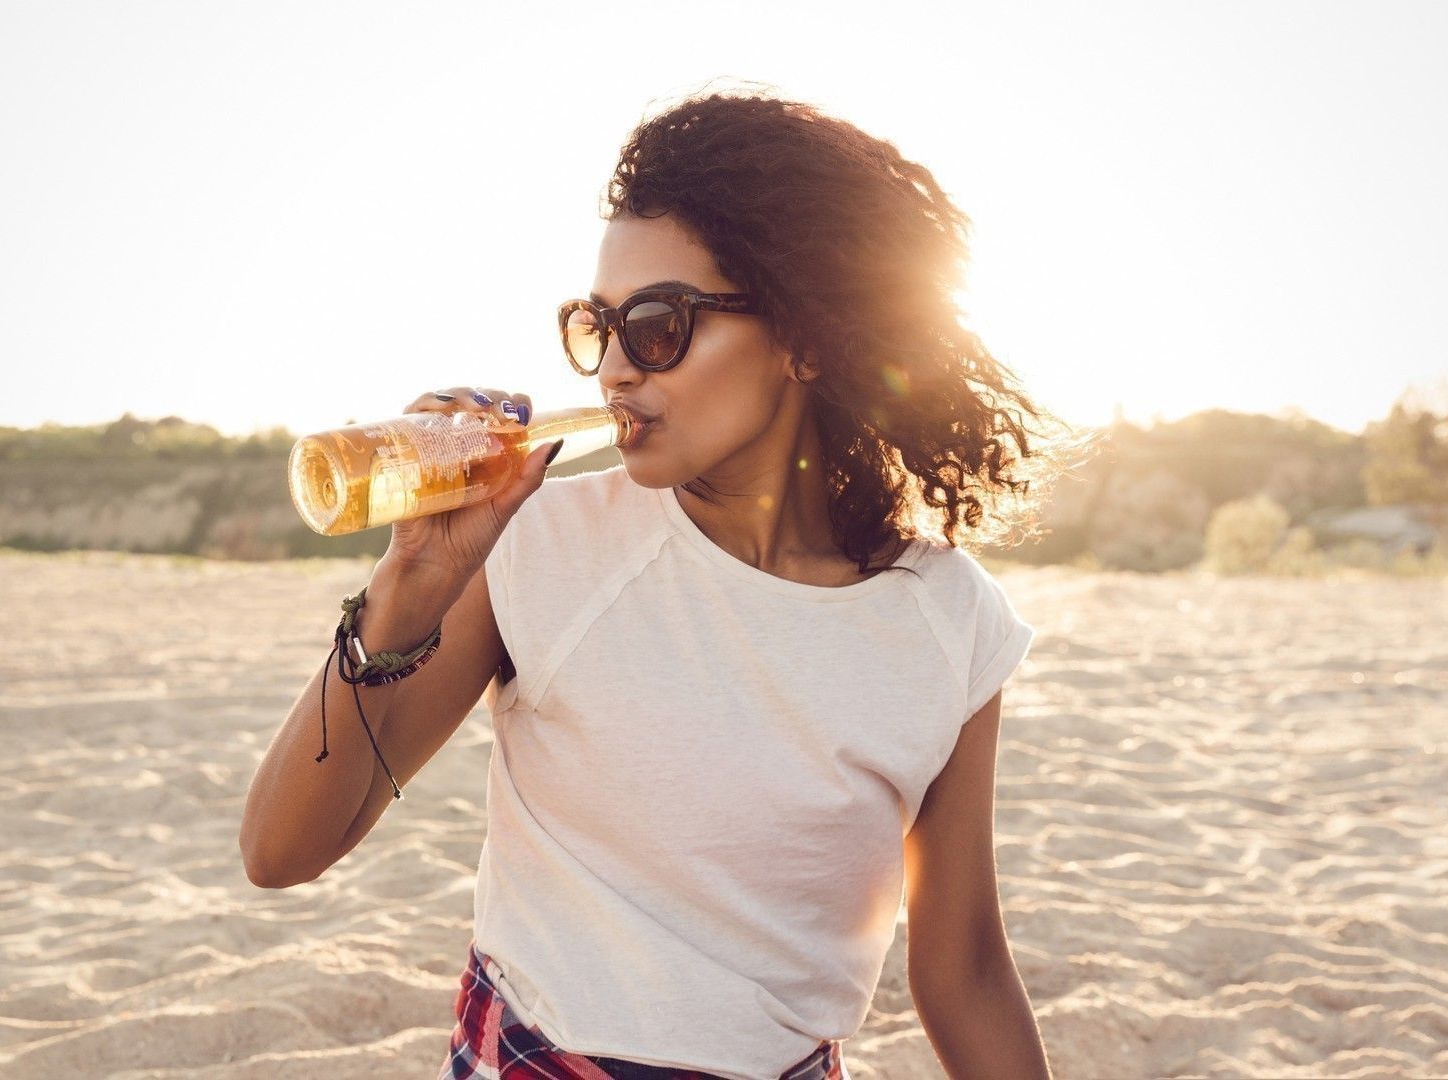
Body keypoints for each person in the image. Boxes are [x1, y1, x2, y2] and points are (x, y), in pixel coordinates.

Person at [242, 87, 1075, 1080]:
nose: (613, 371)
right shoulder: (542, 542)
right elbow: (282, 851)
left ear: (807, 336)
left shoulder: (948, 621)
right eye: (597, 326)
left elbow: (966, 969)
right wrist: (409, 585)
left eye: (657, 324)